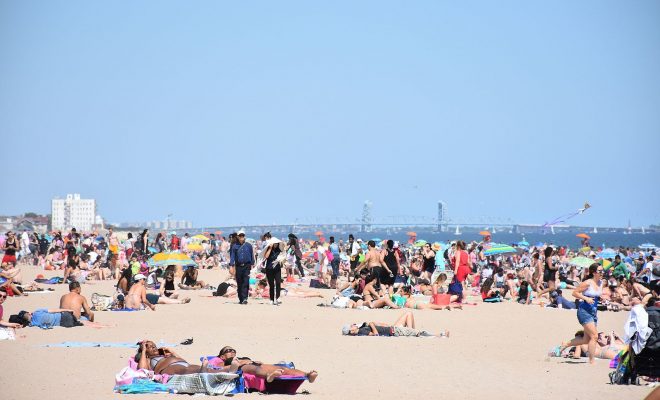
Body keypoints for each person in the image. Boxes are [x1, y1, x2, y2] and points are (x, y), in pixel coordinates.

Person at [558, 263, 604, 364]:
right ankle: (592, 361)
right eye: (600, 271)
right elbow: (574, 293)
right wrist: (586, 298)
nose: (602, 273)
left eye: (602, 271)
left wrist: (602, 299)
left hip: (593, 312)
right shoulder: (588, 283)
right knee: (594, 336)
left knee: (586, 339)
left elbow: (596, 296)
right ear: (594, 272)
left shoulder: (601, 283)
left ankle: (565, 344)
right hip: (584, 311)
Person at [211, 346, 318, 383]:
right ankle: (269, 377)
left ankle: (307, 375)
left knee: (281, 368)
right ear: (222, 356)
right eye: (229, 350)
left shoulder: (241, 357)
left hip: (253, 364)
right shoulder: (222, 361)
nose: (233, 351)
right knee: (254, 369)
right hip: (242, 368)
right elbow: (221, 368)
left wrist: (252, 361)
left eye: (234, 350)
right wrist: (244, 362)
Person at [341, 311, 449, 338]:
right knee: (418, 333)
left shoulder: (361, 328)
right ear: (351, 330)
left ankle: (413, 333)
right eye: (352, 326)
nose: (353, 325)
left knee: (408, 313)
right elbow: (375, 335)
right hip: (393, 331)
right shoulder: (362, 332)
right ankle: (439, 335)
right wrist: (372, 324)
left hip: (392, 328)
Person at [136, 340, 211, 375]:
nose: (153, 347)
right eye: (149, 347)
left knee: (205, 369)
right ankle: (202, 373)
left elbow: (184, 361)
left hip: (184, 364)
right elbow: (142, 370)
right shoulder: (148, 359)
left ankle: (221, 371)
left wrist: (172, 352)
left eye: (154, 345)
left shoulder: (163, 355)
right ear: (145, 351)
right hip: (168, 368)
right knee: (183, 370)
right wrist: (143, 351)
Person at [229, 231, 254, 305]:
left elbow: (252, 255)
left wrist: (252, 265)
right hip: (238, 266)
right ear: (237, 237)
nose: (241, 237)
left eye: (243, 235)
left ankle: (245, 298)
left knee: (245, 282)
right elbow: (232, 256)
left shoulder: (249, 245)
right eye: (240, 236)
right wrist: (231, 266)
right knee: (239, 283)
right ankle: (241, 298)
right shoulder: (234, 246)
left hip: (247, 266)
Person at [261, 232, 284, 305]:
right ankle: (271, 299)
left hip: (277, 268)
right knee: (271, 284)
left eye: (277, 243)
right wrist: (270, 248)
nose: (276, 244)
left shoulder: (279, 249)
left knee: (278, 283)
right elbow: (266, 256)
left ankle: (277, 298)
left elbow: (283, 254)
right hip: (269, 268)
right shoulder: (268, 248)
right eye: (275, 243)